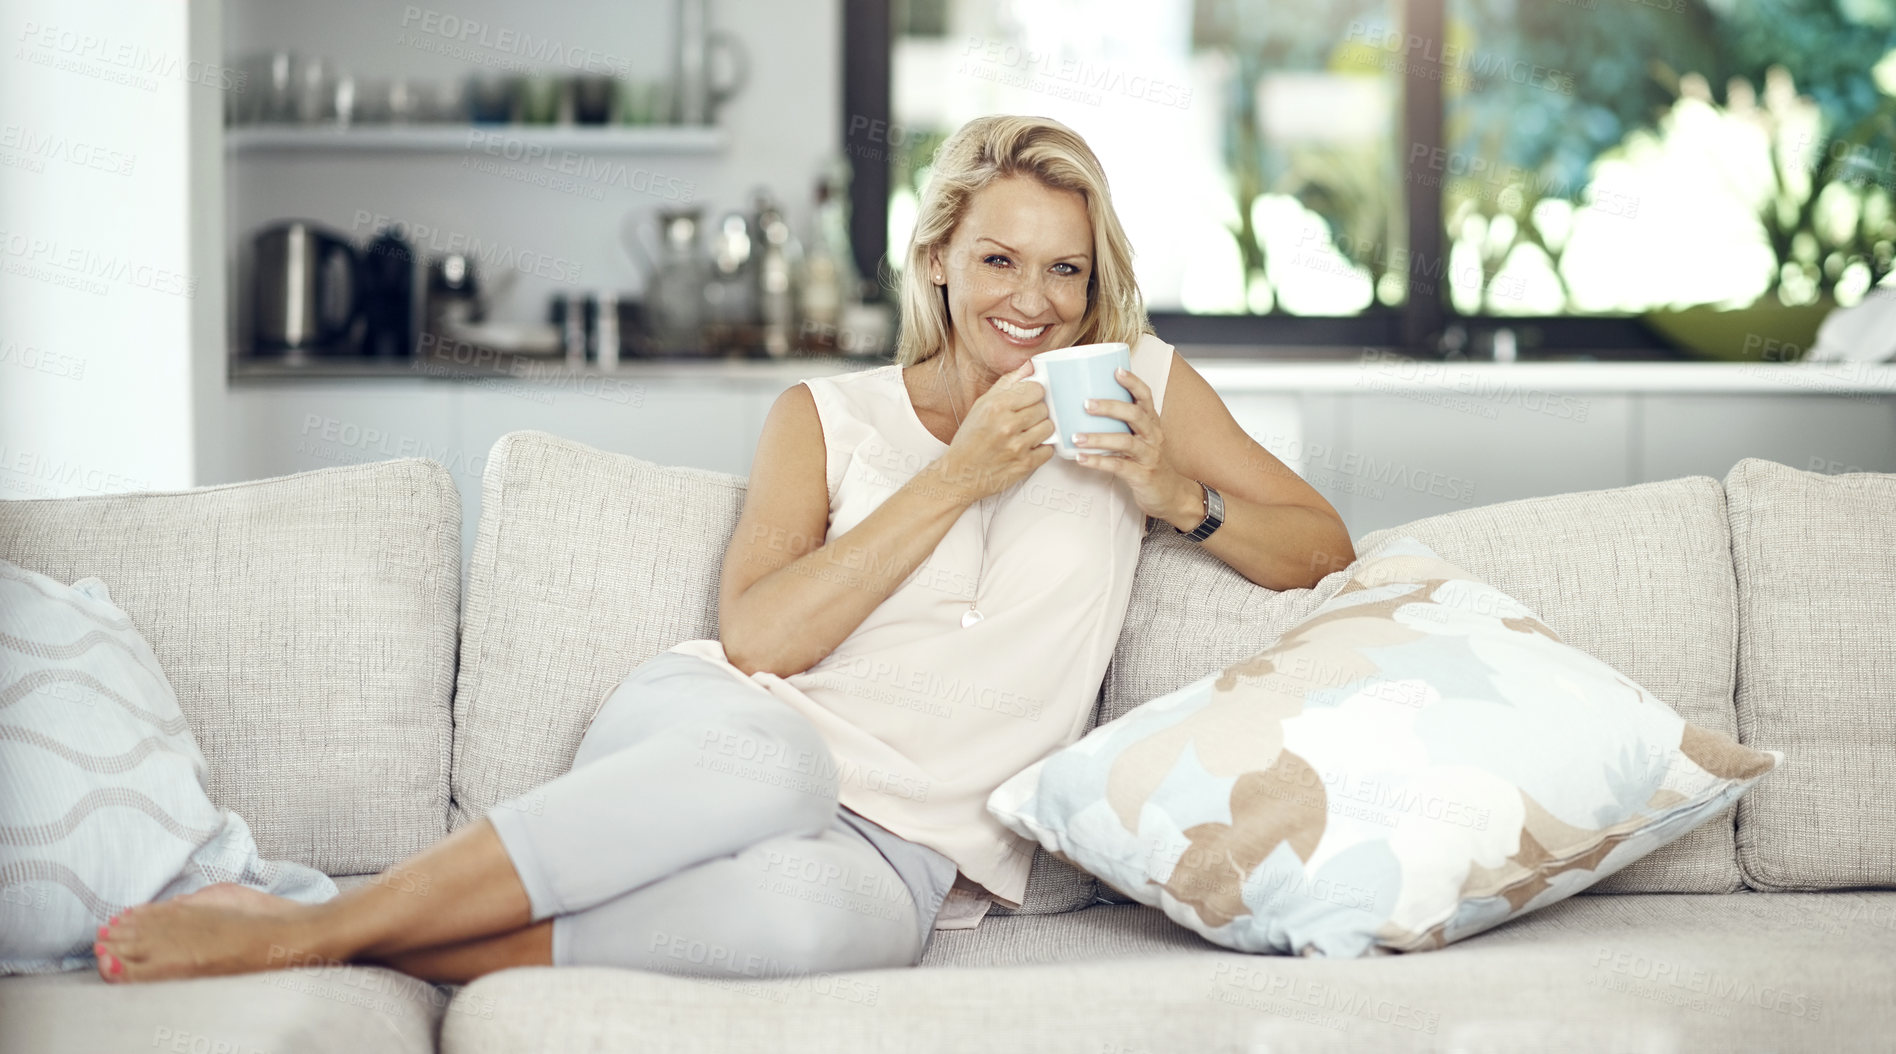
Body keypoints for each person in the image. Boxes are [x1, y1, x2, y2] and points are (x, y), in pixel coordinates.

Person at [91, 114, 1353, 985]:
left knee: (814, 930)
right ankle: (317, 926)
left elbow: (1320, 544)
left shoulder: (1135, 391)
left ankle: (329, 934)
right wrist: (963, 470)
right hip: (730, 731)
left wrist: (1175, 491)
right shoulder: (826, 416)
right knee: (780, 769)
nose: (1033, 302)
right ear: (938, 261)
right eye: (999, 260)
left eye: (1066, 271)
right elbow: (758, 638)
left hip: (906, 849)